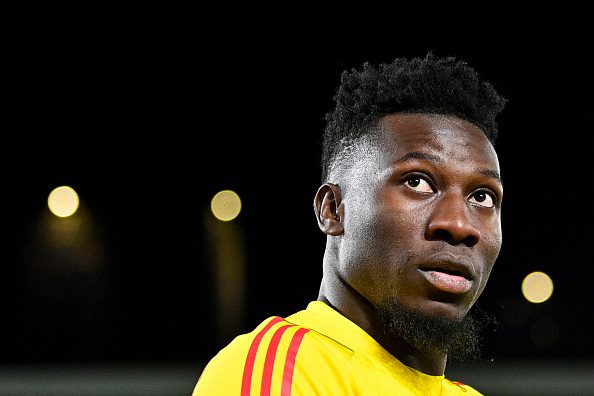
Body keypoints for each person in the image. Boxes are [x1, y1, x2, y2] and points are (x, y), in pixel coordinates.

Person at [193, 52, 507, 395]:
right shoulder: (287, 369)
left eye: (482, 196)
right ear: (333, 210)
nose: (460, 224)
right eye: (417, 182)